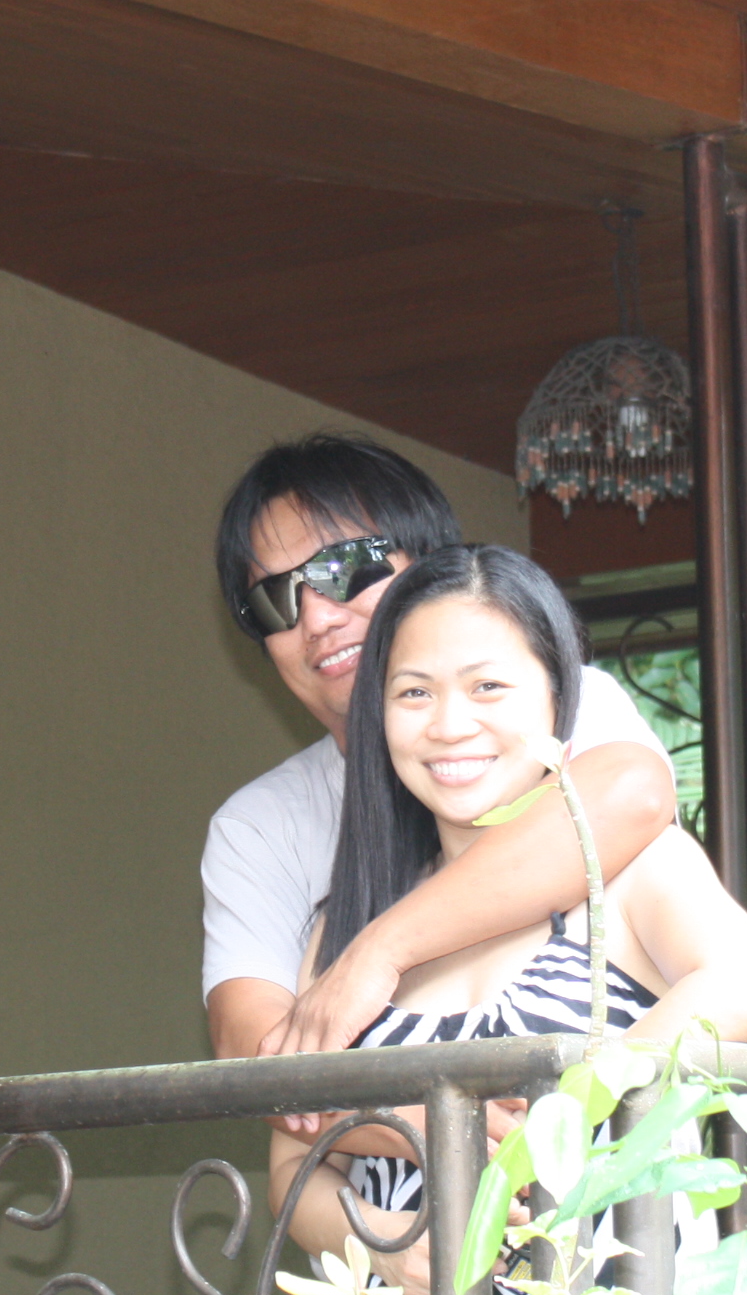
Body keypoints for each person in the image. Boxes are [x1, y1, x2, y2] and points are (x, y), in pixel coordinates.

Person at [265, 545, 747, 1295]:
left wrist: (556, 1118)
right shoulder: (340, 932)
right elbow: (292, 1172)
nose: (449, 724)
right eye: (414, 693)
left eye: (488, 687)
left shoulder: (629, 870)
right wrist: (388, 1253)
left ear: (558, 700)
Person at [201, 437, 680, 1070]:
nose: (316, 619)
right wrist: (430, 1116)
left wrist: (378, 951)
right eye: (275, 598)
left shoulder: (550, 701)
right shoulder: (259, 825)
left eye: (345, 567)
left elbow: (632, 795)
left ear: (430, 567)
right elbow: (253, 1045)